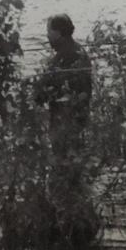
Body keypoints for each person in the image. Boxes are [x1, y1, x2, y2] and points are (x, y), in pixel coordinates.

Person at [36, 14, 92, 162]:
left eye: (48, 31)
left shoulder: (61, 58)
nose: (47, 35)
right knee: (75, 156)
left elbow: (42, 90)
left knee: (62, 158)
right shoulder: (79, 50)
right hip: (80, 115)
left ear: (58, 33)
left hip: (64, 119)